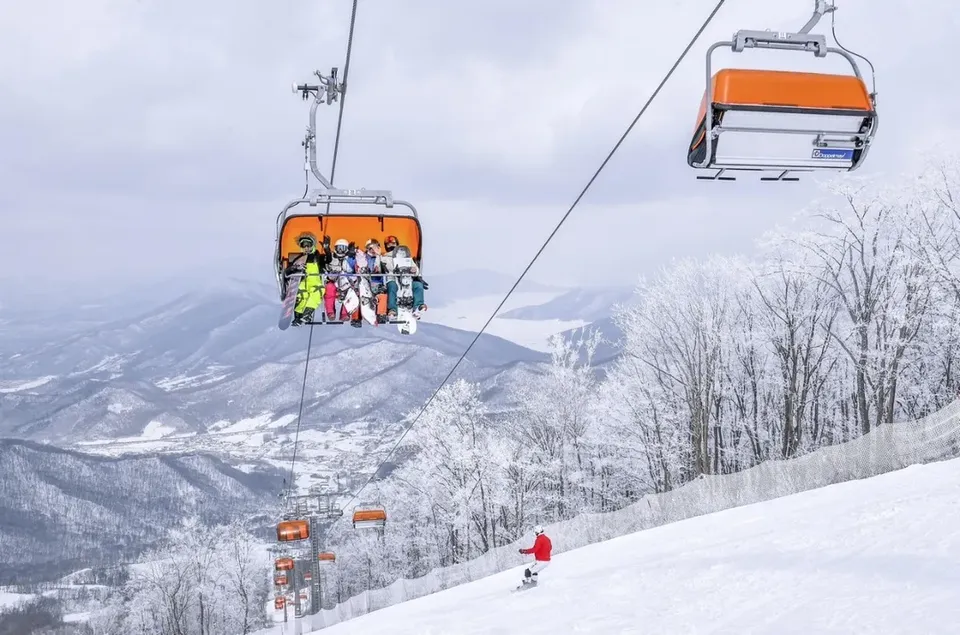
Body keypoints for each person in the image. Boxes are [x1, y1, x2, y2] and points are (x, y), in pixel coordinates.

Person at [381, 235, 428, 320]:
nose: (391, 245)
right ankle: (392, 309)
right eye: (389, 244)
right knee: (392, 286)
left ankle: (418, 306)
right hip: (394, 279)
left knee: (418, 285)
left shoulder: (407, 258)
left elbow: (416, 270)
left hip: (407, 279)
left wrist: (415, 270)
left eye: (393, 243)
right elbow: (381, 266)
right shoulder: (384, 258)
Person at [290, 233, 326, 326]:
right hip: (303, 283)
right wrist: (295, 269)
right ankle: (298, 317)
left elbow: (327, 260)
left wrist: (327, 250)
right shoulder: (299, 259)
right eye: (304, 245)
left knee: (318, 292)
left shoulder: (317, 257)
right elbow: (288, 272)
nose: (306, 248)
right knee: (302, 295)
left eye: (308, 245)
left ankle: (307, 314)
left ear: (312, 246)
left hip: (315, 283)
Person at [323, 237, 356, 323]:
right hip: (333, 280)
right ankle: (330, 312)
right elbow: (328, 256)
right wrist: (326, 248)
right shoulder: (332, 257)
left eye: (343, 248)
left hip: (346, 283)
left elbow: (353, 266)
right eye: (339, 248)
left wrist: (352, 253)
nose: (340, 251)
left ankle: (344, 313)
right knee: (329, 288)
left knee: (350, 292)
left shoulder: (349, 258)